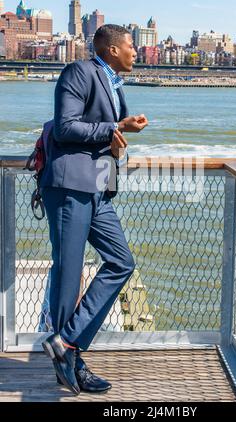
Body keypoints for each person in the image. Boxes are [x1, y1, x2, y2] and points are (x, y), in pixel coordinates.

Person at [40, 24, 148, 395]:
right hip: (71, 187)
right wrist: (114, 127)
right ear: (113, 50)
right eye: (132, 47)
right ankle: (71, 360)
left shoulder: (116, 85)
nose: (136, 52)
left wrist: (120, 137)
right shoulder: (79, 72)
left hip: (98, 189)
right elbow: (65, 127)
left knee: (121, 262)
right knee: (68, 276)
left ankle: (66, 342)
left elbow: (107, 136)